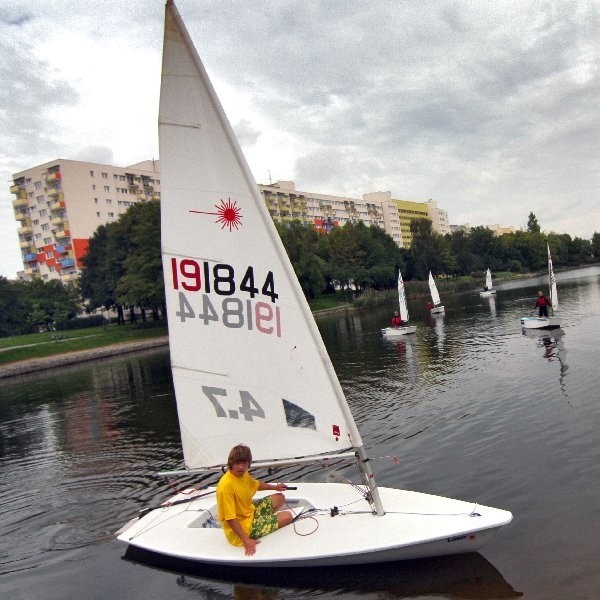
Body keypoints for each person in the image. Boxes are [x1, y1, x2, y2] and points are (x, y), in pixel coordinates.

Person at [216, 444, 293, 556]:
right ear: (231, 463)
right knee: (288, 516)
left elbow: (255, 484)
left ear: (248, 464)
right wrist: (246, 541)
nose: (241, 467)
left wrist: (275, 487)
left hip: (249, 513)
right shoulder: (225, 486)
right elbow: (230, 519)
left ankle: (264, 521)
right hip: (243, 529)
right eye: (237, 463)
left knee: (280, 498)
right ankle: (260, 526)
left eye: (244, 463)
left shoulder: (243, 474)